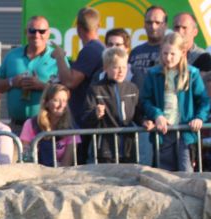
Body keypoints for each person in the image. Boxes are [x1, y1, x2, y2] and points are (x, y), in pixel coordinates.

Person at [141, 32, 209, 172]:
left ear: (182, 53)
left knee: (186, 171)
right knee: (164, 174)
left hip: (186, 133)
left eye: (172, 54)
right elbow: (145, 100)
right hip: (163, 133)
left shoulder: (192, 74)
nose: (168, 58)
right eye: (165, 53)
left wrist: (199, 118)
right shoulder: (153, 73)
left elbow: (204, 101)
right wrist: (157, 115)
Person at [0, 15, 58, 135]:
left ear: (48, 33)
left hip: (47, 126)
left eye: (41, 31)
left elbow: (67, 91)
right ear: (26, 32)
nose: (36, 35)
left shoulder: (57, 57)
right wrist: (12, 82)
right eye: (32, 30)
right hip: (17, 127)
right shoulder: (12, 56)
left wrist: (42, 86)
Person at [82, 47, 142, 164]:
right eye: (115, 67)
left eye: (124, 67)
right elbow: (85, 119)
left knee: (128, 180)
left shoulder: (132, 88)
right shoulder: (96, 89)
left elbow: (138, 114)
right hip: (104, 149)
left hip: (128, 147)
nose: (121, 71)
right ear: (105, 68)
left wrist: (145, 121)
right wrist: (95, 114)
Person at [51, 8, 105, 127]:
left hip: (85, 120)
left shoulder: (91, 49)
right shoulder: (98, 48)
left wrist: (60, 57)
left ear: (78, 28)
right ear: (98, 26)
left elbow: (70, 82)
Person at [19, 83, 79, 167]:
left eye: (65, 101)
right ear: (46, 103)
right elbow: (26, 158)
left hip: (61, 174)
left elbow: (67, 163)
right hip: (35, 173)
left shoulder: (71, 127)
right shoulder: (31, 124)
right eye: (56, 100)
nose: (62, 105)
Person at [130, 6, 167, 84]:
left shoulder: (170, 52)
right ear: (144, 25)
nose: (153, 27)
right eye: (149, 22)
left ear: (165, 26)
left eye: (158, 23)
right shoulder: (135, 51)